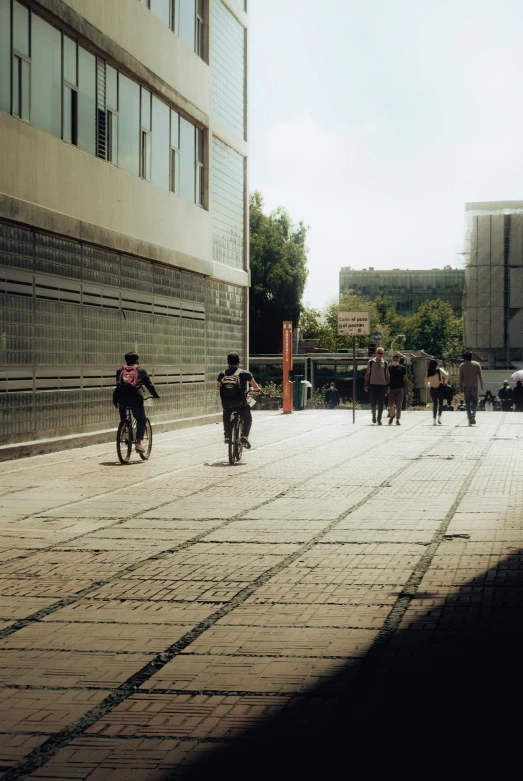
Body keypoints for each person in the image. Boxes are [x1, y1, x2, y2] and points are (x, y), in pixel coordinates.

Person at [113, 352, 160, 452]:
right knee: (141, 419)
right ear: (136, 360)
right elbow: (149, 385)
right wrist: (155, 395)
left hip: (120, 397)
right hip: (135, 397)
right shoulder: (140, 370)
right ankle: (138, 443)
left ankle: (124, 427)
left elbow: (118, 385)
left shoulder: (119, 370)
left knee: (124, 416)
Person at [217, 352, 261, 448]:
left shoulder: (222, 374)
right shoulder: (245, 373)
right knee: (247, 417)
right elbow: (255, 386)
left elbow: (218, 387)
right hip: (240, 404)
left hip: (226, 404)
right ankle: (244, 436)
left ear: (227, 362)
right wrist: (257, 391)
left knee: (226, 414)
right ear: (239, 362)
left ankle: (227, 435)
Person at [364, 347, 390, 425]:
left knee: (381, 403)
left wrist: (388, 385)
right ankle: (374, 415)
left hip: (382, 385)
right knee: (373, 403)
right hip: (373, 384)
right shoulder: (371, 362)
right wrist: (366, 384)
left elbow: (387, 375)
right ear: (376, 353)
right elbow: (368, 374)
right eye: (379, 353)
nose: (380, 355)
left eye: (382, 353)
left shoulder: (385, 363)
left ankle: (379, 419)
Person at [459, 351, 484, 426]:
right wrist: (482, 385)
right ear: (471, 357)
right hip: (474, 386)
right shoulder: (476, 364)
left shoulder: (462, 365)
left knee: (467, 403)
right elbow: (480, 376)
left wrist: (461, 388)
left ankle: (470, 419)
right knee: (475, 402)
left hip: (466, 386)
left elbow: (460, 378)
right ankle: (473, 413)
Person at [387, 353, 408, 426]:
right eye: (394, 360)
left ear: (398, 360)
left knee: (399, 404)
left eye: (397, 360)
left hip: (400, 388)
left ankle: (398, 419)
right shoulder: (389, 368)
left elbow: (405, 378)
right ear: (392, 360)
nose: (395, 361)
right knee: (391, 404)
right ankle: (392, 415)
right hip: (392, 388)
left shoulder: (402, 368)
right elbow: (387, 378)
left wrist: (407, 388)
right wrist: (387, 387)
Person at [426, 359, 448, 426]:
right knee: (441, 403)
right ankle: (439, 418)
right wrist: (445, 382)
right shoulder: (439, 370)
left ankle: (434, 420)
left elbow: (427, 382)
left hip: (433, 388)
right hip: (440, 387)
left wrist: (430, 384)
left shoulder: (429, 371)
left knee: (435, 404)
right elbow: (446, 376)